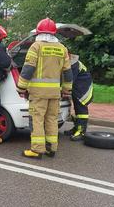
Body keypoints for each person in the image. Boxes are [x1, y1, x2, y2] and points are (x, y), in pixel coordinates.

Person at [17, 17, 73, 159]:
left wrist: (21, 87)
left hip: (38, 93)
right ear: (54, 33)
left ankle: (37, 150)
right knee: (52, 119)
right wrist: (67, 89)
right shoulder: (62, 48)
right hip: (55, 93)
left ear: (39, 32)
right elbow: (67, 72)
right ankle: (51, 148)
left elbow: (28, 69)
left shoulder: (36, 47)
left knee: (37, 119)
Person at [66, 53, 94, 141]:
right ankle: (76, 128)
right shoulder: (72, 62)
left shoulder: (73, 64)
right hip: (79, 87)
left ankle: (81, 131)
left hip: (83, 89)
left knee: (81, 110)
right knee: (78, 109)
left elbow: (69, 80)